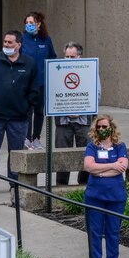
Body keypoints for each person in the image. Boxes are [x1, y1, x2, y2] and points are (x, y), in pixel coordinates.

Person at [0, 30, 39, 195]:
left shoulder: (29, 63)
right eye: (5, 42)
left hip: (18, 118)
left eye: (10, 43)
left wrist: (26, 106)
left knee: (16, 151)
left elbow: (34, 89)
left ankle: (15, 182)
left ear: (19, 44)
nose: (6, 45)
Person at [84, 114, 129, 258]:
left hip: (116, 197)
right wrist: (112, 166)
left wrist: (100, 171)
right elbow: (89, 166)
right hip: (94, 197)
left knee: (113, 232)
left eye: (105, 126)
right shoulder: (92, 147)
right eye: (99, 127)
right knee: (95, 232)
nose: (102, 129)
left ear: (112, 128)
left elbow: (123, 166)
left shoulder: (120, 147)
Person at [54, 42, 92, 187]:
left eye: (72, 56)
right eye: (66, 56)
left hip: (84, 120)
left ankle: (84, 182)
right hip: (63, 121)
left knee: (87, 150)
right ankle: (61, 185)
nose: (69, 59)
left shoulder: (89, 69)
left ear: (79, 56)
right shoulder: (57, 71)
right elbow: (54, 93)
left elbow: (96, 93)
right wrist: (66, 110)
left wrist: (81, 110)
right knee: (62, 153)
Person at [21, 11, 56, 149]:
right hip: (27, 82)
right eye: (27, 23)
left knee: (39, 111)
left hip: (41, 82)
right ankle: (26, 138)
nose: (29, 25)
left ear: (39, 24)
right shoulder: (22, 39)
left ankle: (36, 138)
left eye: (32, 23)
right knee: (28, 111)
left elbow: (52, 56)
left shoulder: (46, 40)